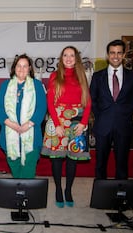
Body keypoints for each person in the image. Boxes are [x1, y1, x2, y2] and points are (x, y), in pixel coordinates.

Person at [41, 46, 92, 208]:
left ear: (76, 58)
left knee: (72, 159)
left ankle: (68, 190)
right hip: (58, 120)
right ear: (61, 58)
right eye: (65, 55)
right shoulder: (55, 76)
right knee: (57, 159)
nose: (68, 58)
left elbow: (88, 102)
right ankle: (57, 189)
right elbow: (50, 102)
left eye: (72, 55)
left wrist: (84, 123)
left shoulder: (82, 76)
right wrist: (57, 125)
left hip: (77, 121)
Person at [90, 39, 133, 180]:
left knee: (122, 164)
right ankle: (100, 198)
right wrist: (100, 117)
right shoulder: (97, 76)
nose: (115, 56)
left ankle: (120, 197)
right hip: (102, 125)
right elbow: (92, 99)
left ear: (124, 55)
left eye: (119, 53)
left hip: (123, 125)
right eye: (112, 53)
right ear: (107, 55)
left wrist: (124, 115)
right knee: (100, 164)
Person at [0, 54, 47, 178]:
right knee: (14, 167)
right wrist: (12, 124)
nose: (21, 69)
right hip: (9, 134)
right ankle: (18, 192)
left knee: (28, 170)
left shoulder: (37, 85)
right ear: (14, 67)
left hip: (31, 134)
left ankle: (27, 194)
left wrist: (28, 124)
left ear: (29, 68)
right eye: (19, 65)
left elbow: (41, 108)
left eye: (25, 66)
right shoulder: (5, 85)